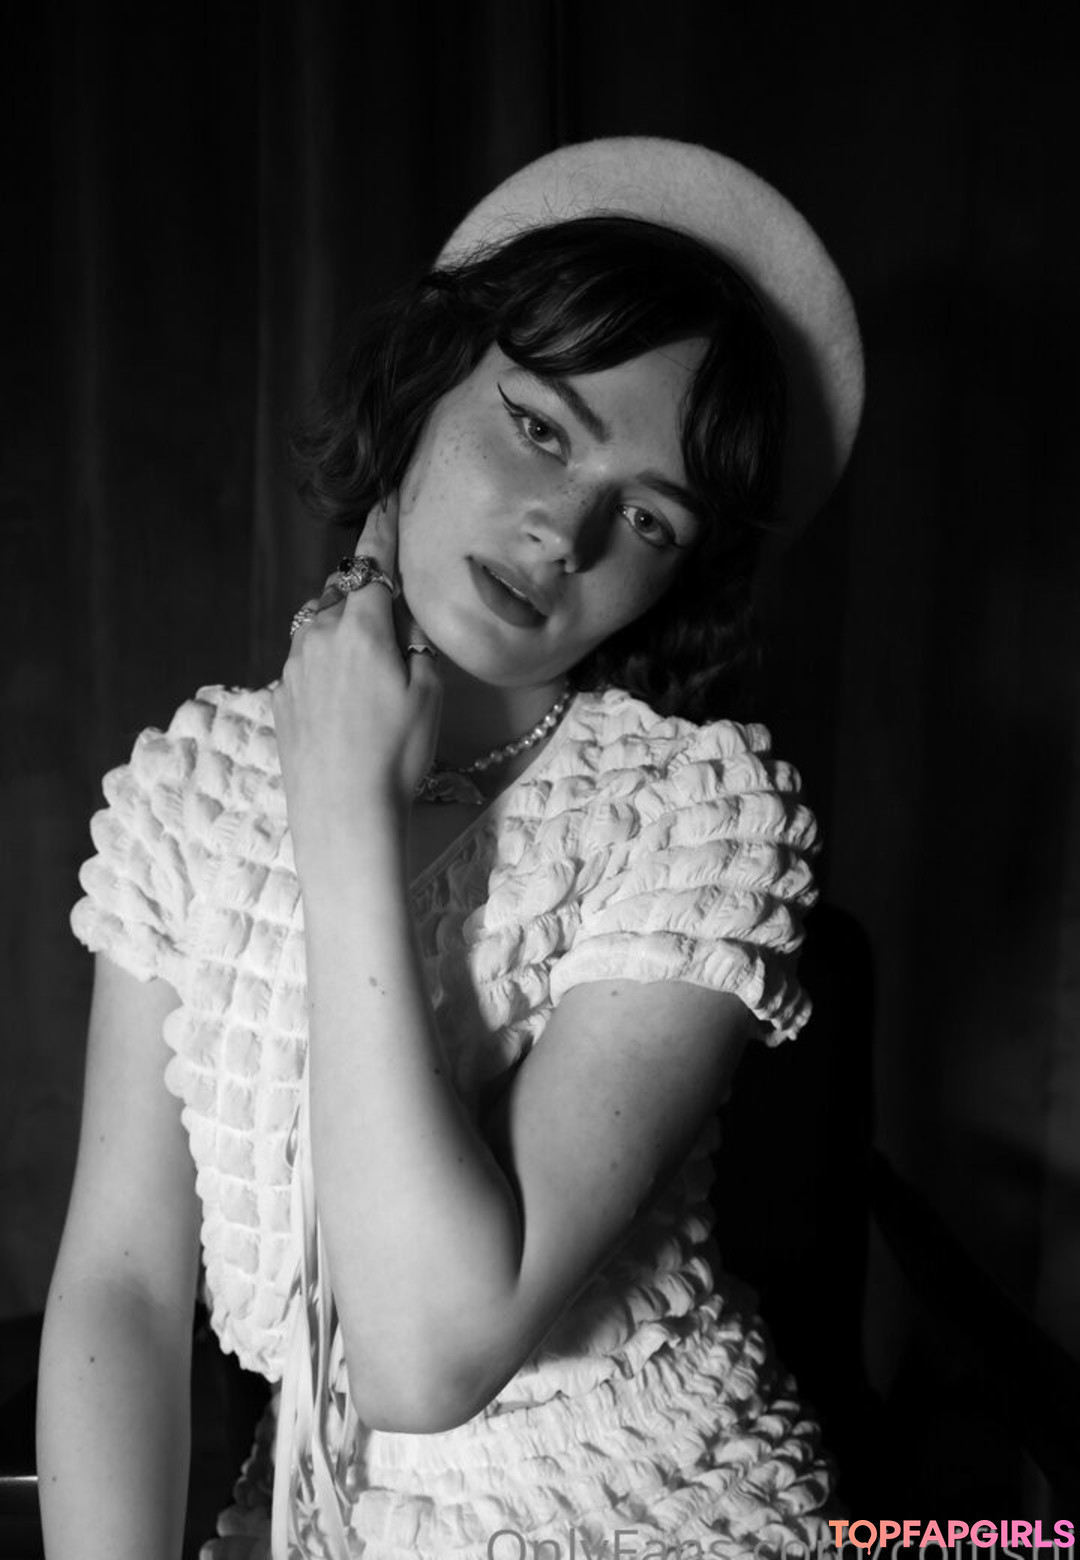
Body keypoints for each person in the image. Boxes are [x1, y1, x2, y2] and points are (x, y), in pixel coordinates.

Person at [37, 138, 863, 1559]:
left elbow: (425, 1360)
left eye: (647, 516)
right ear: (424, 391)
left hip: (650, 1514)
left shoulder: (696, 814)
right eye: (538, 427)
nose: (563, 531)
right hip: (319, 1521)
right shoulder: (194, 787)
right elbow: (122, 1284)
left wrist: (345, 818)